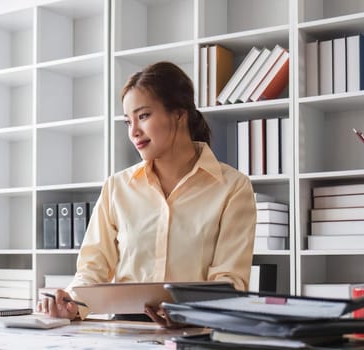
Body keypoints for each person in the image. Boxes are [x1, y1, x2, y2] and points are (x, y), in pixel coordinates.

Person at [37, 61, 257, 327]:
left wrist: (187, 313)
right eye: (128, 121)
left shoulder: (232, 188)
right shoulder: (117, 187)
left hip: (197, 330)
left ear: (179, 113)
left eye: (143, 116)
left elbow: (229, 281)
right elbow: (91, 271)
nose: (134, 132)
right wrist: (71, 305)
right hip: (125, 330)